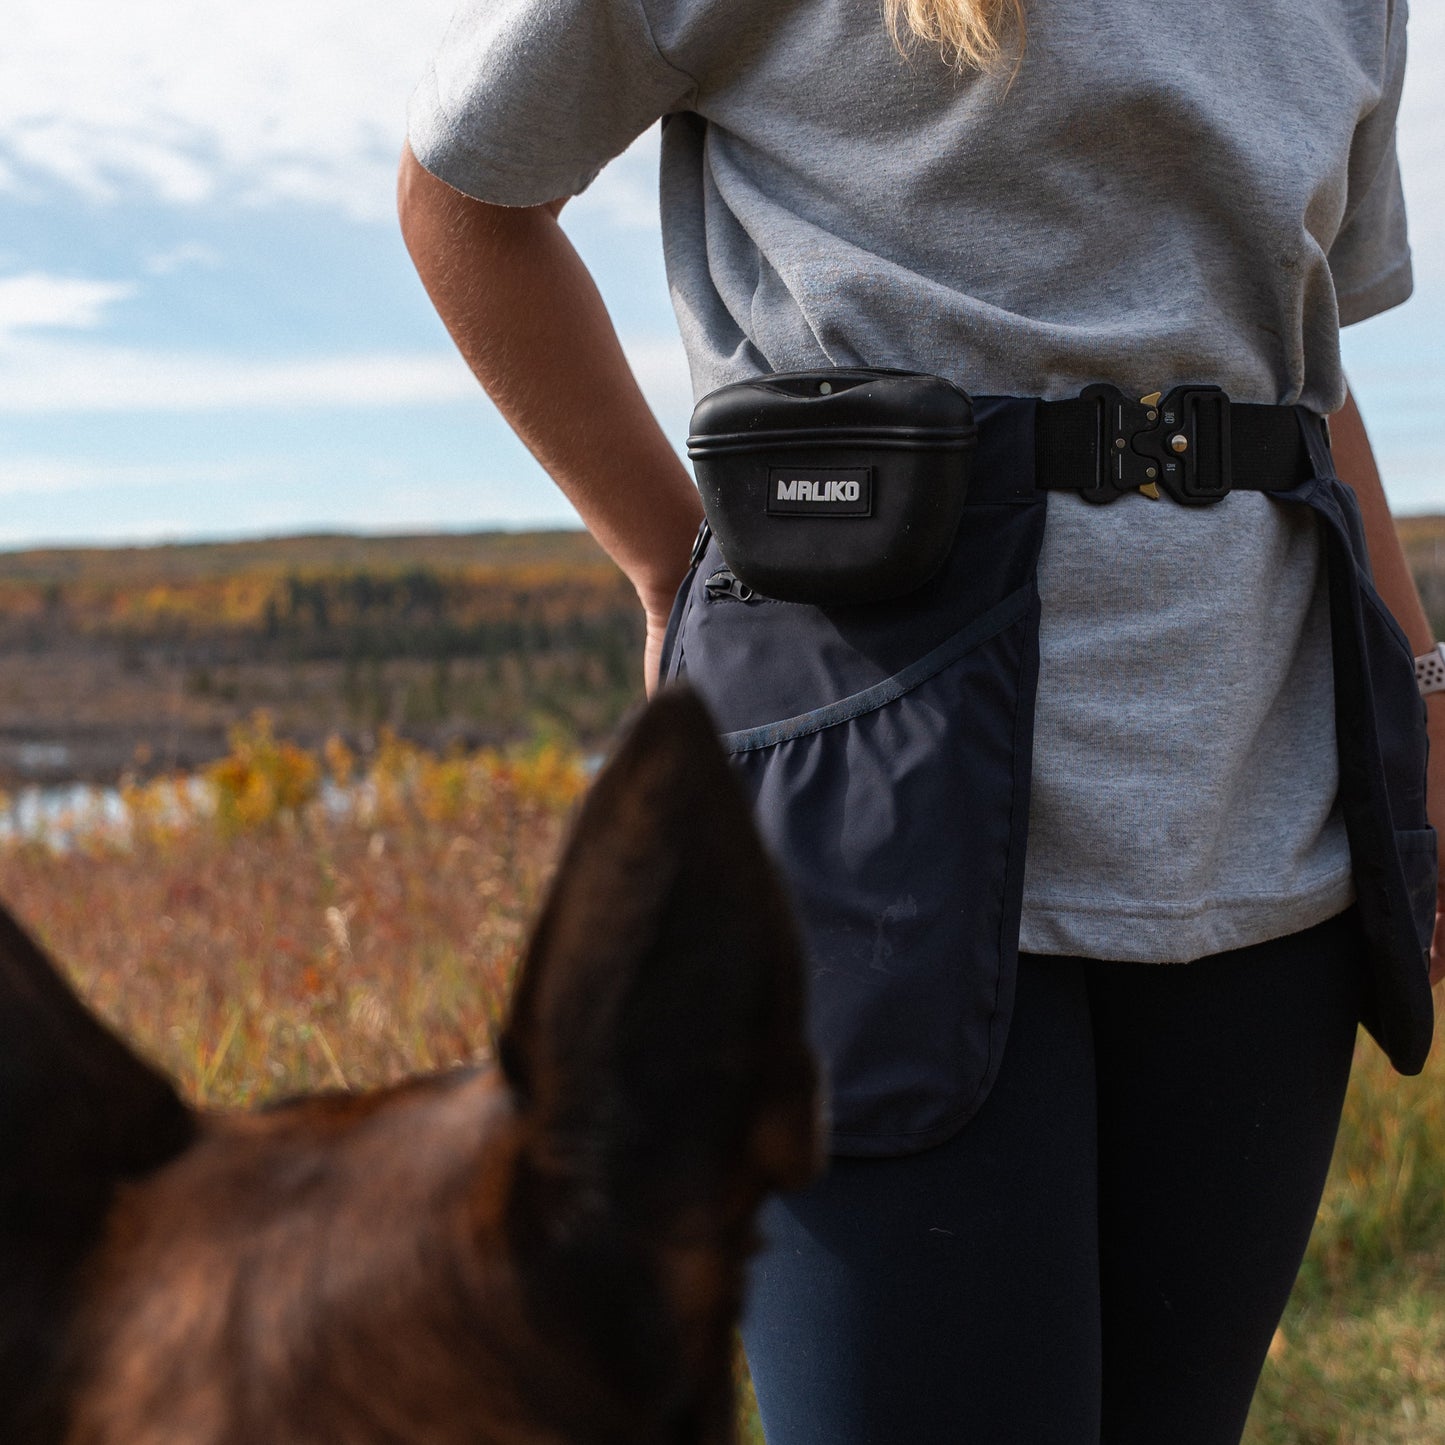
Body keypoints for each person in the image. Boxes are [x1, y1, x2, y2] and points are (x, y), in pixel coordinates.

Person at [397, 1, 1440, 1440]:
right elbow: (464, 196)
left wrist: (1425, 701)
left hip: (1261, 831)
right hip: (863, 822)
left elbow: (1297, 376)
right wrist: (669, 561)